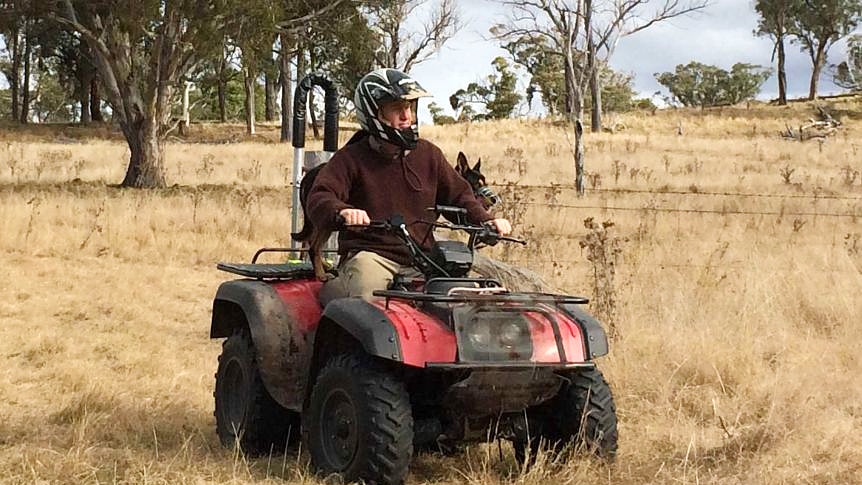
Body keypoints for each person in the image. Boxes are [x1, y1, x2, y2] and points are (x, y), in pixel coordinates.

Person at [306, 68, 512, 305]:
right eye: (396, 108)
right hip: (372, 256)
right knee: (367, 299)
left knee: (471, 302)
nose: (407, 116)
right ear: (374, 113)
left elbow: (460, 196)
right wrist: (342, 211)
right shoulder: (351, 158)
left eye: (410, 108)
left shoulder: (428, 155)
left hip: (425, 259)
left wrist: (486, 221)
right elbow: (320, 196)